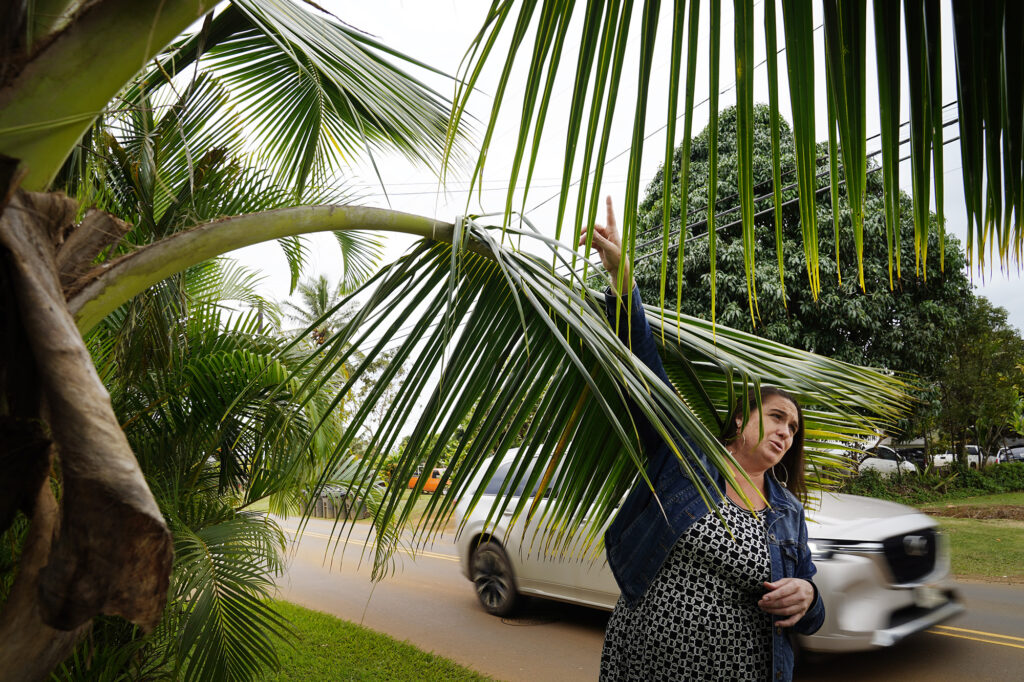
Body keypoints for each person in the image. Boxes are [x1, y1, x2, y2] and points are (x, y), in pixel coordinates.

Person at [581, 197, 824, 681]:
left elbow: (811, 613)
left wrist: (810, 595)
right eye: (777, 417)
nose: (785, 432)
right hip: (646, 662)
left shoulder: (787, 512)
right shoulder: (685, 461)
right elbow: (645, 376)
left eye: (792, 428)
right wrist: (621, 279)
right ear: (739, 421)